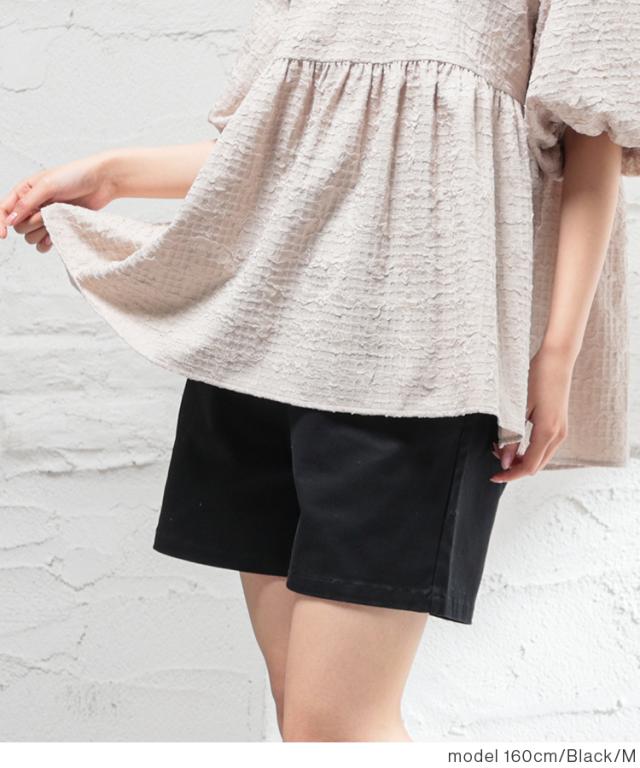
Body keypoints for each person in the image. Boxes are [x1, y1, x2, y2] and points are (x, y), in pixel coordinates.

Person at [1, 0, 638, 743]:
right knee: (300, 718)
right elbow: (276, 147)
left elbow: (592, 141)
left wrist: (556, 356)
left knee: (336, 724)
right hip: (256, 351)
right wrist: (113, 173)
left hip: (419, 366)